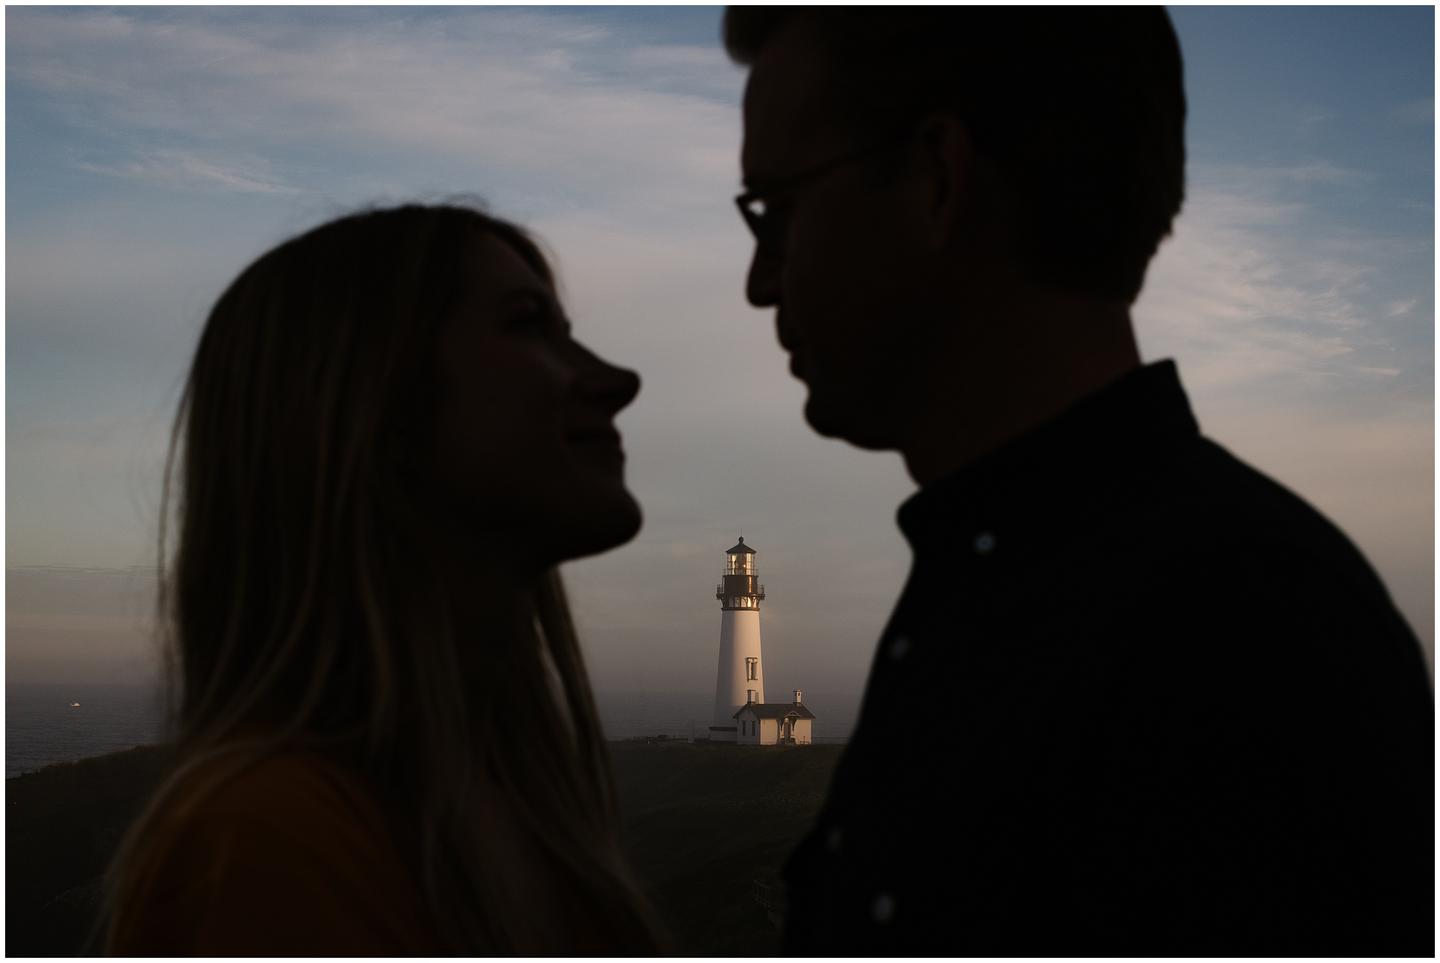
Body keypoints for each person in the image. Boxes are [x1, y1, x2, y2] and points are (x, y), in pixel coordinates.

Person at [724, 7, 1432, 956]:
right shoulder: (1052, 585)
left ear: (937, 179)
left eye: (778, 209)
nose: (759, 282)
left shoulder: (1230, 633)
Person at [101, 204, 666, 954]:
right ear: (375, 404)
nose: (617, 380)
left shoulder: (507, 814)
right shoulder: (265, 844)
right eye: (529, 325)